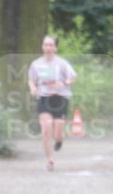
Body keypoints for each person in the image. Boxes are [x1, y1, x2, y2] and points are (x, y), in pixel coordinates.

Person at [28, 36, 77, 171]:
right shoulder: (36, 64)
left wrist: (64, 83)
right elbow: (31, 79)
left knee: (57, 132)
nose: (48, 47)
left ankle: (59, 140)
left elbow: (73, 77)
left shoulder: (62, 63)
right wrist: (32, 88)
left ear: (55, 48)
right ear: (42, 47)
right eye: (46, 45)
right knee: (46, 128)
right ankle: (49, 160)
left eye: (51, 45)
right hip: (44, 98)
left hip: (60, 98)